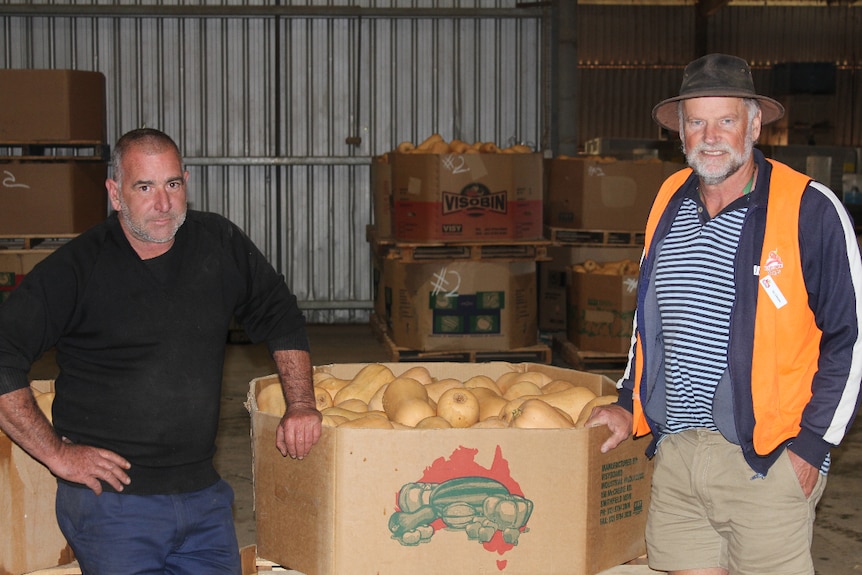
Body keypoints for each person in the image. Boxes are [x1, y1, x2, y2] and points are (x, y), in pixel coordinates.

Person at [586, 54, 862, 575]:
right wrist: (627, 401)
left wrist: (812, 445)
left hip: (765, 459)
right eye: (696, 121)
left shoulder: (809, 208)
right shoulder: (668, 199)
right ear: (681, 131)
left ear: (755, 124)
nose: (710, 136)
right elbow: (650, 322)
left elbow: (851, 337)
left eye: (727, 120)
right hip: (678, 454)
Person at [0, 128, 322, 574]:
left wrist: (302, 403)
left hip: (204, 497)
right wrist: (57, 454)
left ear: (186, 181)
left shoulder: (219, 244)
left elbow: (279, 313)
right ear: (115, 194)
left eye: (172, 184)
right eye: (144, 187)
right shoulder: (77, 268)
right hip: (113, 506)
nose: (163, 203)